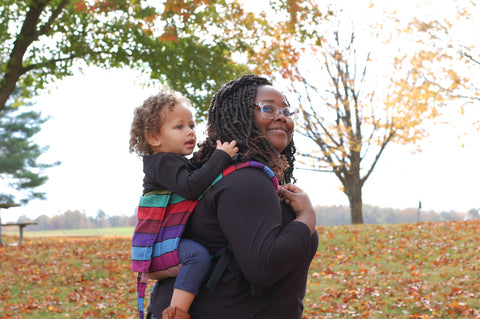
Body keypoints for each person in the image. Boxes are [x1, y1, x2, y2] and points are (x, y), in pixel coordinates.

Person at [146, 75, 319, 319]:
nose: (281, 117)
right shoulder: (247, 180)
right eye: (268, 108)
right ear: (238, 116)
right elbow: (264, 267)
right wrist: (307, 216)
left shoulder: (245, 177)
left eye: (286, 110)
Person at [129, 89, 239, 318]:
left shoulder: (175, 162)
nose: (190, 132)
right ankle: (177, 312)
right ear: (154, 138)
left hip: (170, 239)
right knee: (196, 256)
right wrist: (220, 157)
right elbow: (191, 187)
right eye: (179, 127)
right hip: (157, 243)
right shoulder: (161, 163)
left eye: (191, 125)